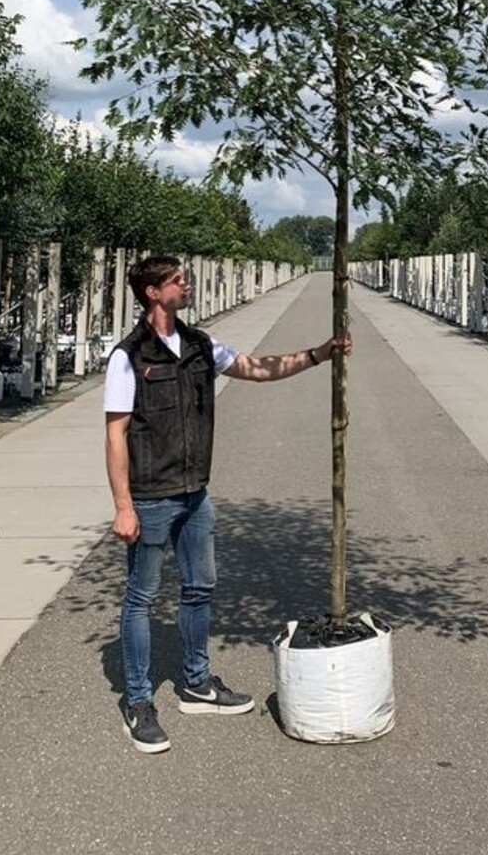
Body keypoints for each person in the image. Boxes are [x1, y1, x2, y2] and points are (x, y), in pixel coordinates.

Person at [103, 253, 352, 754]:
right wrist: (123, 506)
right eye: (177, 280)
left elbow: (256, 369)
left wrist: (318, 354)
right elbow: (115, 435)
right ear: (152, 292)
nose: (186, 283)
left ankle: (197, 684)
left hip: (195, 493)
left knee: (200, 588)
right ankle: (138, 700)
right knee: (142, 598)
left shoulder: (200, 345)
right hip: (151, 497)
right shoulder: (128, 357)